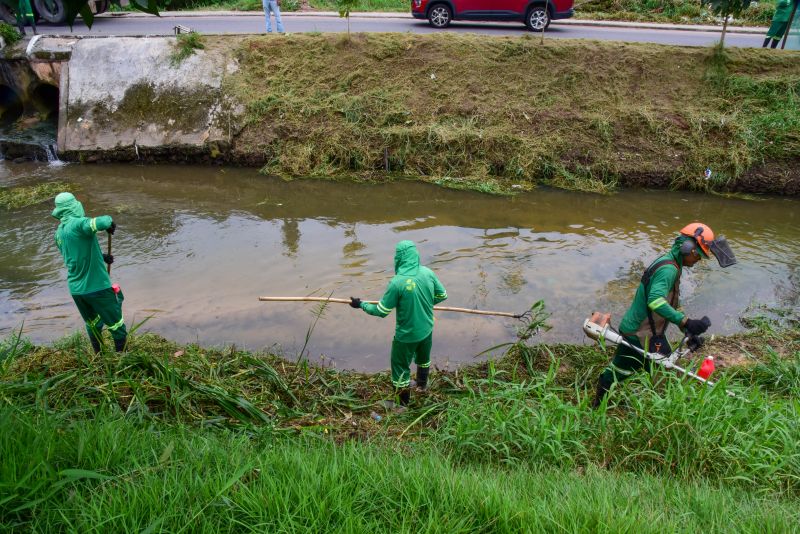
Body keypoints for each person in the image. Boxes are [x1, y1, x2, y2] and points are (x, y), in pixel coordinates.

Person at [593, 223, 736, 407]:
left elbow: (671, 301)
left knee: (663, 366)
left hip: (650, 333)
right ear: (690, 250)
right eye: (699, 256)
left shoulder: (673, 264)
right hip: (638, 334)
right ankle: (597, 407)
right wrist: (683, 320)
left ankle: (653, 402)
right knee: (618, 371)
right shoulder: (669, 269)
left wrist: (687, 329)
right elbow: (655, 301)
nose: (699, 260)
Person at [350, 240, 447, 408]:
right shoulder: (427, 272)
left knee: (400, 368)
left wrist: (361, 305)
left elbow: (381, 311)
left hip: (406, 336)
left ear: (399, 258)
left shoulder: (397, 282)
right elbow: (442, 295)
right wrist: (423, 305)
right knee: (423, 359)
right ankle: (422, 386)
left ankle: (402, 406)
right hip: (427, 329)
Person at [52, 192, 127, 353]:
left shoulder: (59, 233)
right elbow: (102, 221)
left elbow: (75, 256)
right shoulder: (78, 224)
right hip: (97, 287)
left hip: (77, 290)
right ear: (74, 206)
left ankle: (98, 356)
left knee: (93, 323)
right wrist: (109, 222)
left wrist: (101, 257)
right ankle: (123, 360)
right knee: (117, 325)